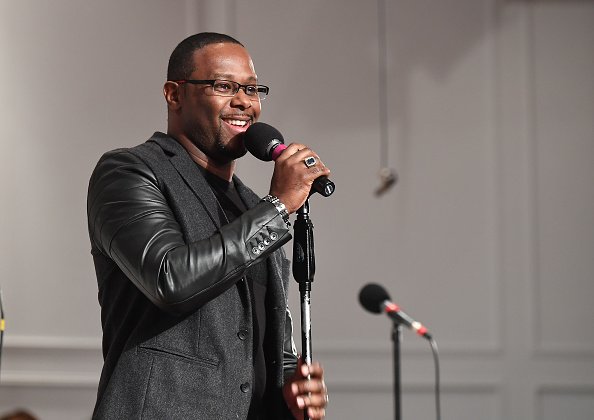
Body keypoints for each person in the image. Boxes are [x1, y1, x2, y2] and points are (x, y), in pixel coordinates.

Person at [87, 32, 329, 419]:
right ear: (174, 94)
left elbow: (271, 349)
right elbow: (169, 279)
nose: (244, 102)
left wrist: (293, 396)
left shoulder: (254, 205)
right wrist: (279, 205)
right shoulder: (129, 172)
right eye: (223, 86)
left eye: (252, 89)